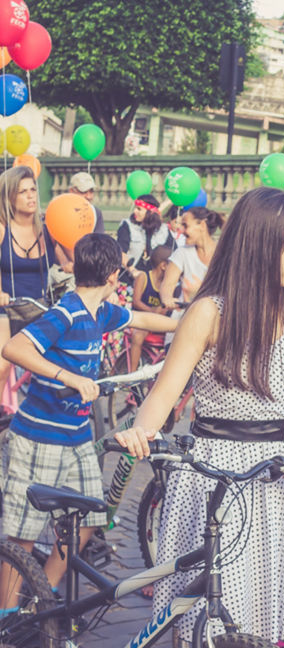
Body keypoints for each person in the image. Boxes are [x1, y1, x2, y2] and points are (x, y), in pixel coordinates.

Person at [114, 187, 284, 645]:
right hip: (213, 477)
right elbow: (166, 392)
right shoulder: (209, 312)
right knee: (212, 623)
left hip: (273, 477)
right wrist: (138, 432)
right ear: (257, 243)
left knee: (260, 624)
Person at [0, 233, 176, 600]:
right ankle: (6, 625)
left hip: (76, 436)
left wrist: (192, 326)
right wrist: (68, 377)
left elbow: (142, 318)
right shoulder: (66, 312)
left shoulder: (103, 312)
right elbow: (14, 347)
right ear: (113, 276)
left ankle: (40, 601)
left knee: (88, 522)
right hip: (38, 437)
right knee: (24, 537)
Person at [0, 166, 71, 392]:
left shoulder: (47, 229)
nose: (31, 195)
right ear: (9, 197)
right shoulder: (2, 229)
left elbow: (68, 264)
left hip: (37, 306)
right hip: (6, 307)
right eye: (23, 191)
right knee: (2, 367)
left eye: (33, 189)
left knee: (62, 359)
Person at [159, 206, 224, 309]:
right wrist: (167, 298)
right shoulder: (182, 253)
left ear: (202, 225)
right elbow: (168, 284)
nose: (181, 230)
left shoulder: (224, 254)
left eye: (185, 225)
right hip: (186, 314)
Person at [128, 245, 180, 371]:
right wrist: (152, 312)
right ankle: (132, 373)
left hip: (158, 322)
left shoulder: (169, 284)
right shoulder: (144, 277)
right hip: (142, 322)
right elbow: (136, 302)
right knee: (138, 336)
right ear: (163, 266)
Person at [116, 194, 177, 275]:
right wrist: (133, 271)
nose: (135, 211)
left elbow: (174, 251)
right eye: (135, 208)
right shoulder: (127, 226)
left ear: (150, 212)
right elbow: (121, 252)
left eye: (139, 209)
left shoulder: (163, 229)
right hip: (130, 275)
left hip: (154, 277)